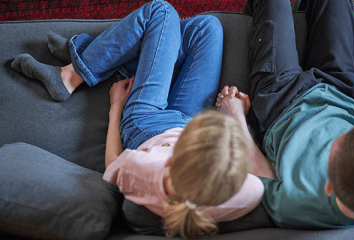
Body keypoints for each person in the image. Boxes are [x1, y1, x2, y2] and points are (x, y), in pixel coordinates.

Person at [11, 1, 264, 238]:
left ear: (177, 155)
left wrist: (116, 108)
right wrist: (237, 117)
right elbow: (270, 182)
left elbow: (113, 165)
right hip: (186, 120)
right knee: (207, 28)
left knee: (161, 11)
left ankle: (71, 75)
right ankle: (101, 54)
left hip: (146, 126)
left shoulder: (148, 171)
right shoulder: (242, 193)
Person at [216, 0, 354, 229]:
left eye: (335, 145)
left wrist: (235, 116)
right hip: (341, 91)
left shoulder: (299, 206)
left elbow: (262, 176)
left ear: (329, 188)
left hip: (282, 102)